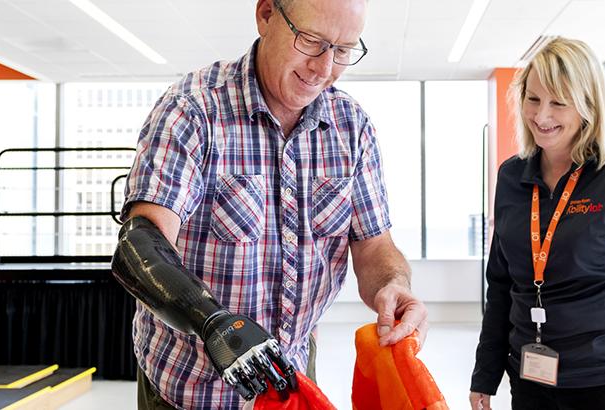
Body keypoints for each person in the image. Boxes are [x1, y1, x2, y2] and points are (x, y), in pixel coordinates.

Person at [117, 0, 429, 408]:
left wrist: (394, 286)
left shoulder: (352, 127)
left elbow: (374, 246)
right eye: (311, 41)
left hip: (291, 377)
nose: (323, 68)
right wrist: (213, 320)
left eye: (343, 50)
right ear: (266, 15)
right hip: (189, 387)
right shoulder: (193, 109)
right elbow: (142, 242)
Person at [468, 38, 605, 410]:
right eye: (533, 99)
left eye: (558, 102)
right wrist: (486, 373)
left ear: (588, 105)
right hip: (532, 381)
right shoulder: (511, 178)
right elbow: (502, 285)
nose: (542, 116)